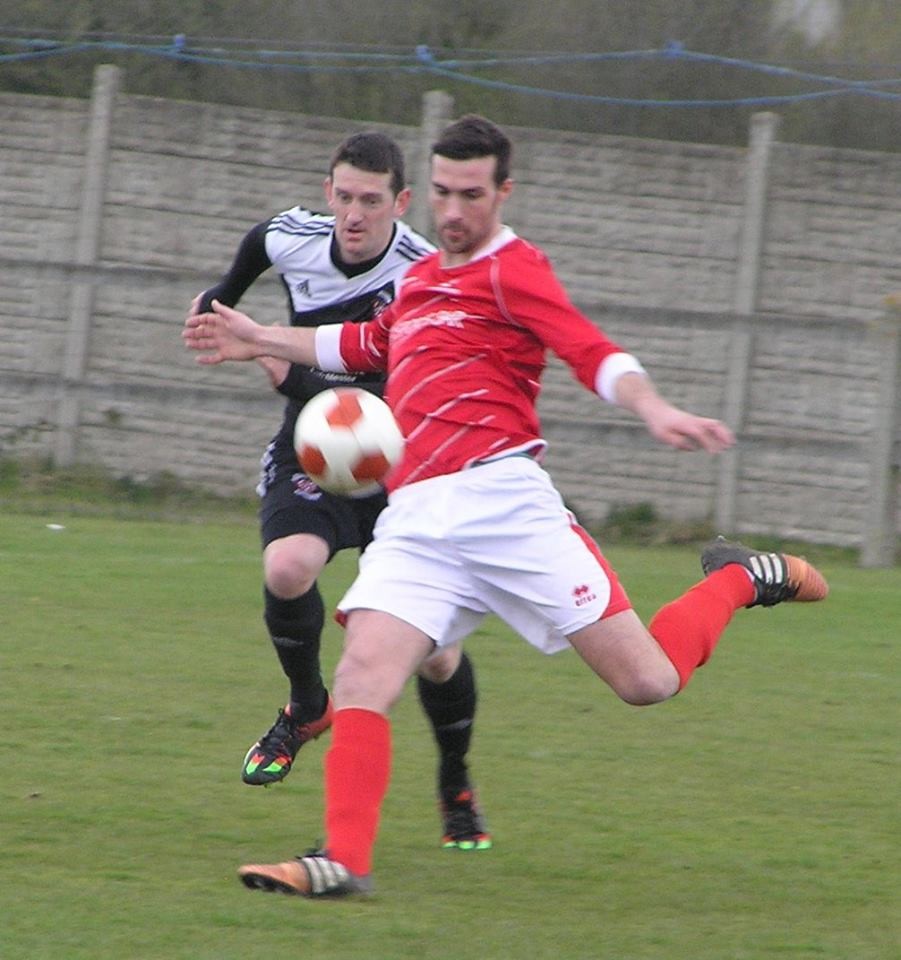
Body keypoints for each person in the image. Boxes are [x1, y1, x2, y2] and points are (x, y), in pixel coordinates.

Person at [184, 114, 828, 899]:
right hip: (417, 516)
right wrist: (261, 337)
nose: (452, 214)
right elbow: (362, 346)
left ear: (502, 193)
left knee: (647, 683)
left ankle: (737, 578)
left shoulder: (514, 271)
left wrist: (652, 406)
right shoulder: (420, 280)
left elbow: (593, 353)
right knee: (361, 676)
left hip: (504, 504)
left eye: (471, 196)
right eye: (445, 194)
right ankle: (342, 862)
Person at [187, 131, 490, 850]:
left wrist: (273, 355)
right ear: (328, 192)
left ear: (401, 203)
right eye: (344, 196)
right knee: (287, 567)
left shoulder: (425, 269)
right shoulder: (286, 237)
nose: (354, 214)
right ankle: (306, 705)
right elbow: (223, 295)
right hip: (313, 444)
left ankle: (455, 780)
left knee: (436, 651)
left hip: (403, 460)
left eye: (371, 201)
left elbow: (403, 380)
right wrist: (213, 316)